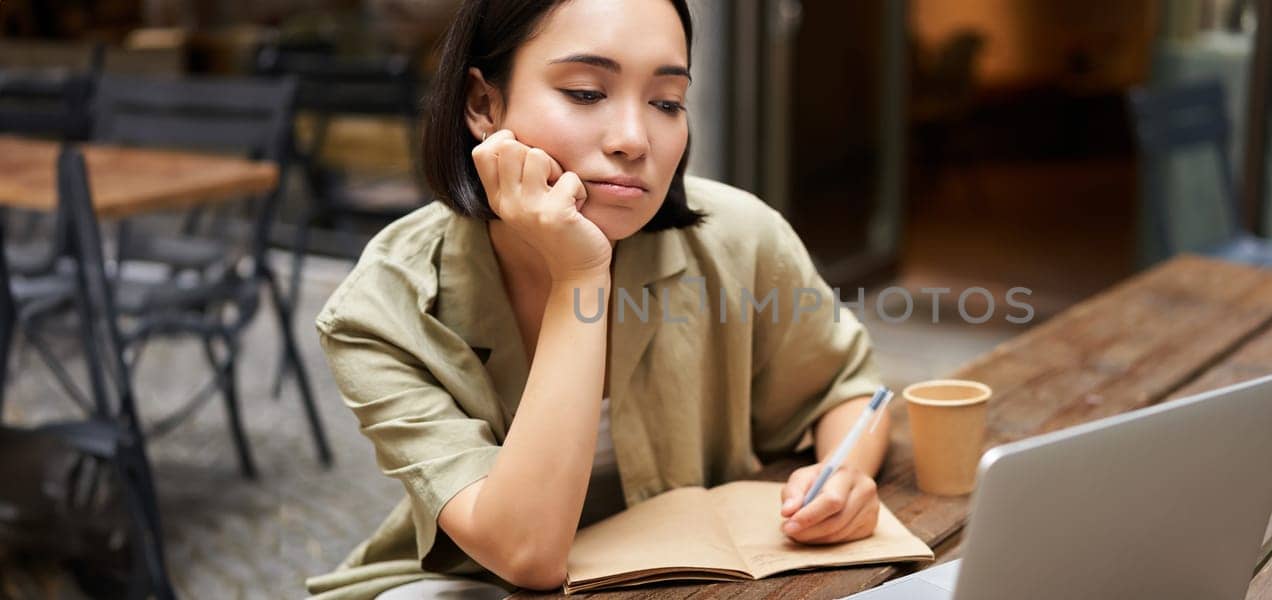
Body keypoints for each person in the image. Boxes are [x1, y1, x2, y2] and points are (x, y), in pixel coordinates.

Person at [304, 0, 887, 598]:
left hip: (699, 575)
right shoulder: (383, 309)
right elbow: (526, 555)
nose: (635, 139)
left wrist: (842, 477)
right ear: (482, 105)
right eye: (585, 92)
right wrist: (579, 274)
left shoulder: (742, 238)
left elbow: (846, 388)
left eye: (666, 102)